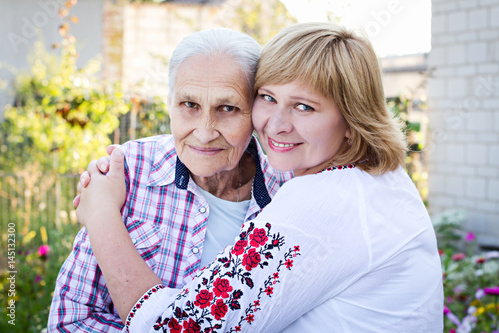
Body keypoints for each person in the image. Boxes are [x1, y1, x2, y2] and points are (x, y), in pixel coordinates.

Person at [76, 22, 444, 332]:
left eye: (304, 106)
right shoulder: (375, 180)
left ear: (352, 120)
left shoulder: (324, 200)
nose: (276, 125)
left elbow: (177, 327)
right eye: (268, 98)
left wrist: (101, 215)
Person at [47, 28, 292, 332]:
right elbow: (70, 320)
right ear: (169, 103)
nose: (204, 132)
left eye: (227, 108)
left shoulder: (287, 193)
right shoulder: (128, 171)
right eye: (189, 105)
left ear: (256, 111)